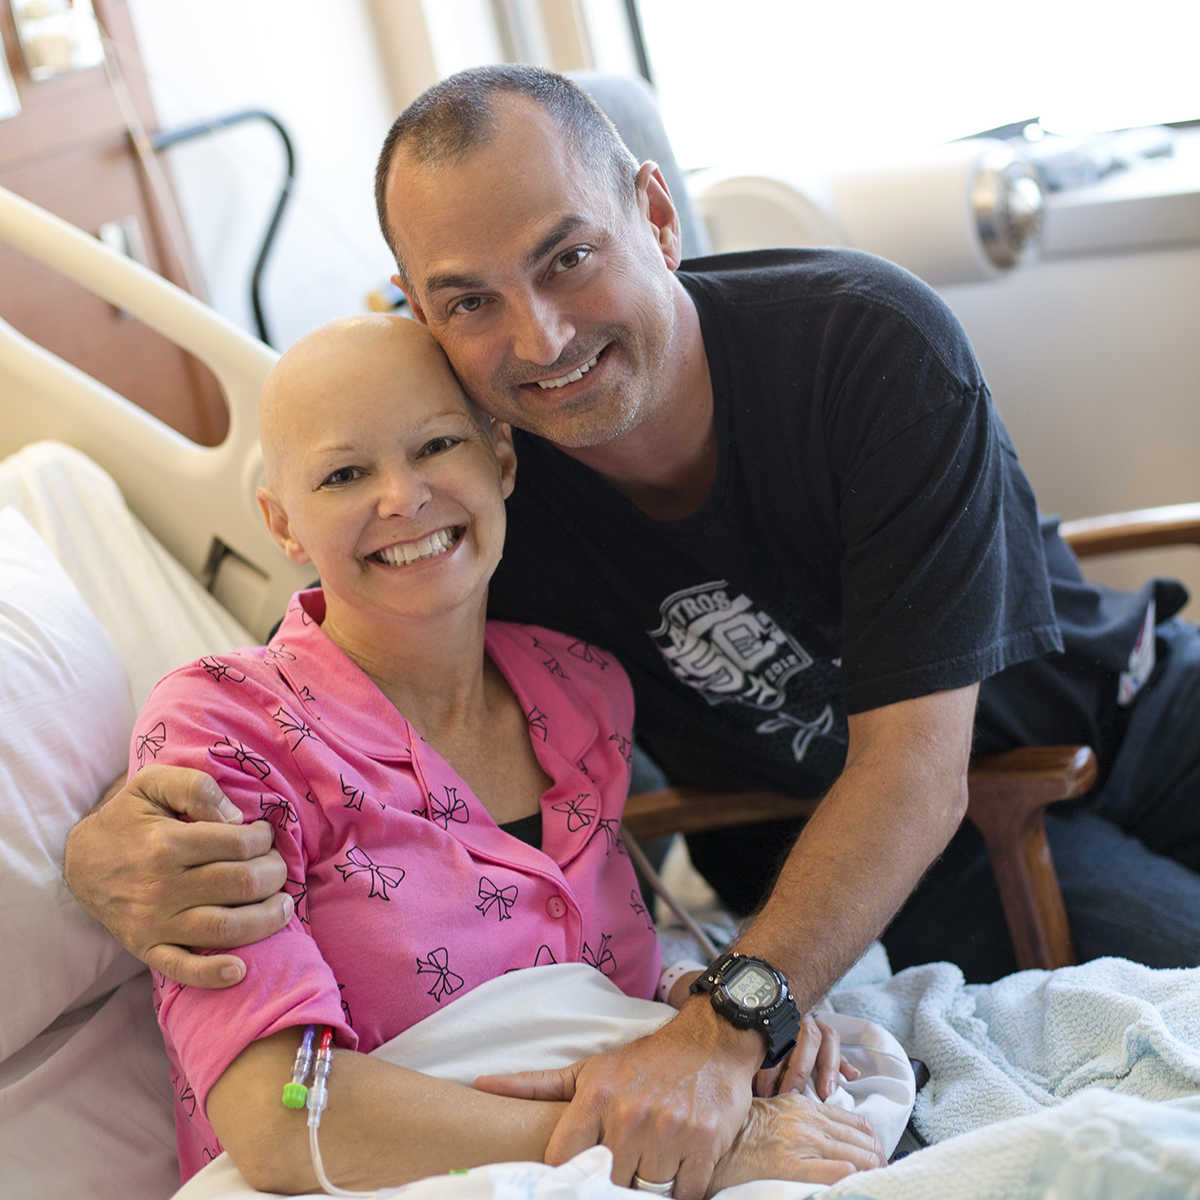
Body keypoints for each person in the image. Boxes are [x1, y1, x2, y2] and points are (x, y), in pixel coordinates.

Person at [64, 64, 1200, 1198]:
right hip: (897, 852)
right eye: (470, 300)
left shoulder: (860, 346)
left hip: (1125, 704)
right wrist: (103, 847)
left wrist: (727, 1020)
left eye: (568, 257)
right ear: (420, 312)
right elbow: (311, 689)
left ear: (655, 216)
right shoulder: (474, 497)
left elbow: (916, 765)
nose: (543, 337)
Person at [126, 312, 886, 1193]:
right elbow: (277, 1115)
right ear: (282, 523)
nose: (402, 498)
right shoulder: (226, 730)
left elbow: (582, 994)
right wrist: (683, 1141)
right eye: (343, 474)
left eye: (438, 445)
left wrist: (713, 1021)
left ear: (503, 458)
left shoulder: (582, 689)